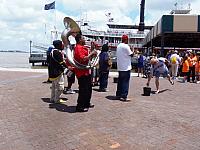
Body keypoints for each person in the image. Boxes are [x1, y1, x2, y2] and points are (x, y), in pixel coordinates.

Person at [74, 34, 97, 112]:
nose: (85, 40)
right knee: (83, 89)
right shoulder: (78, 48)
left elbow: (88, 58)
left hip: (86, 71)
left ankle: (86, 103)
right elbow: (83, 58)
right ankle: (80, 106)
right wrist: (91, 53)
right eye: (83, 38)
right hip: (81, 72)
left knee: (88, 89)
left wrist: (93, 51)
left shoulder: (83, 47)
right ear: (80, 40)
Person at [116, 35, 133, 101]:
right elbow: (131, 54)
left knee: (120, 82)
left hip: (120, 67)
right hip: (126, 67)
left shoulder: (118, 46)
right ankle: (124, 96)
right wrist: (132, 50)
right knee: (125, 82)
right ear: (126, 40)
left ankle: (118, 95)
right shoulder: (126, 46)